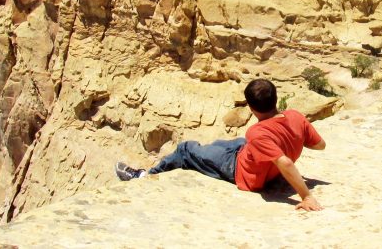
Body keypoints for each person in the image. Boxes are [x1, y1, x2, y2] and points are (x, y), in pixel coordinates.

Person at [115, 78, 325, 211]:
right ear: (276, 99)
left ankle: (144, 176)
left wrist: (306, 195)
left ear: (251, 108)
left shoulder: (257, 132)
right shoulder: (295, 116)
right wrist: (295, 137)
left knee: (186, 150)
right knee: (226, 143)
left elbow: (285, 163)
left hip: (242, 172)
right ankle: (209, 155)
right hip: (247, 152)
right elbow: (319, 145)